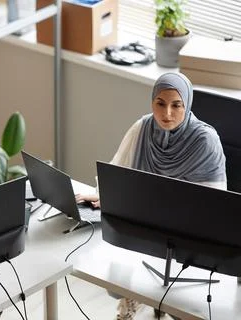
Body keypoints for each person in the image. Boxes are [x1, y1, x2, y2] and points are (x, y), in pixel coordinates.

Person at [76, 72, 227, 319]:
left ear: (187, 104)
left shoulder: (205, 141)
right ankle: (134, 300)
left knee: (184, 307)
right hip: (144, 225)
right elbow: (119, 173)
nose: (167, 113)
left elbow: (212, 207)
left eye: (176, 105)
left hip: (187, 234)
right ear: (151, 102)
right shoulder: (143, 127)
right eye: (160, 103)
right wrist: (102, 195)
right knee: (111, 268)